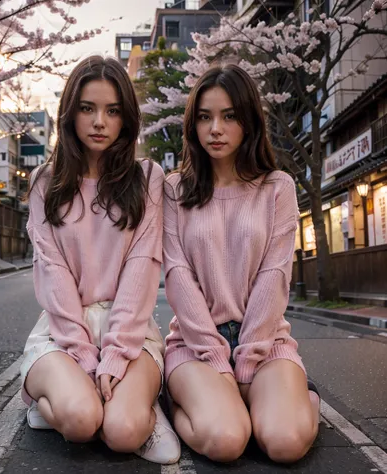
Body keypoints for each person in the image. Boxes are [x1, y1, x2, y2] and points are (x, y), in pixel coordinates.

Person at [20, 55, 180, 465]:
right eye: (87, 109)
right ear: (70, 114)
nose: (99, 122)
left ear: (126, 119)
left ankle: (141, 404)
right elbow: (53, 275)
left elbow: (142, 270)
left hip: (130, 333)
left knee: (123, 432)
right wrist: (84, 355)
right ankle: (51, 400)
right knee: (80, 421)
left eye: (112, 111)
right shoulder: (46, 181)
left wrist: (113, 354)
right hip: (60, 333)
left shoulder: (148, 178)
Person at [163, 64, 320, 464]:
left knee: (284, 443)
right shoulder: (174, 189)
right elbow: (177, 276)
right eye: (204, 117)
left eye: (229, 116)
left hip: (266, 342)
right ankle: (168, 408)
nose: (215, 128)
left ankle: (302, 399)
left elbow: (275, 275)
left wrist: (246, 364)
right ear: (192, 125)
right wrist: (218, 361)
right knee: (228, 441)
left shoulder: (276, 188)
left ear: (248, 121)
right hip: (195, 344)